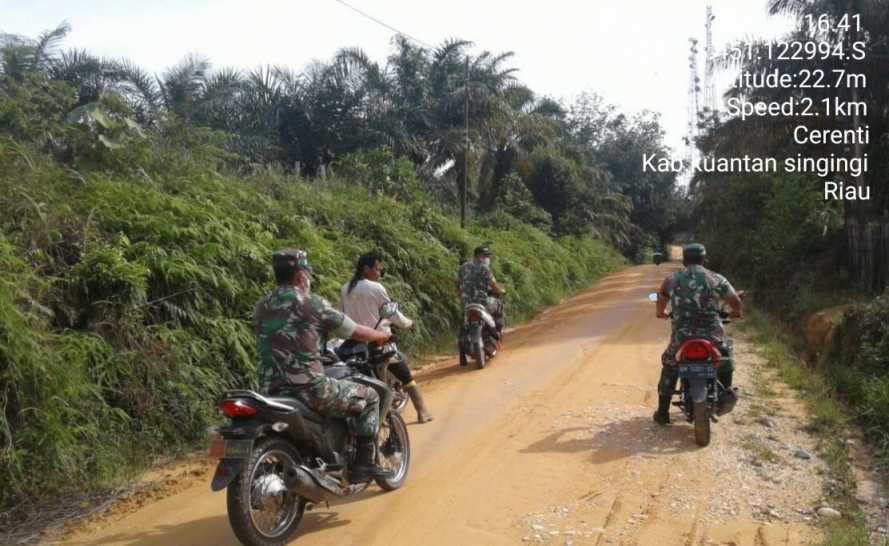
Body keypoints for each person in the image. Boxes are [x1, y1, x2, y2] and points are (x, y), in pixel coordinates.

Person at [253, 249, 393, 482]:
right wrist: (379, 336)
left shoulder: (261, 305)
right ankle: (364, 465)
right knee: (369, 397)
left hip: (271, 390)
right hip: (310, 389)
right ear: (300, 276)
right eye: (307, 273)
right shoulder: (312, 303)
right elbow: (354, 331)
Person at [653, 243, 742, 425]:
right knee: (724, 357)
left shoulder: (672, 280)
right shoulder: (717, 279)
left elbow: (660, 301)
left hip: (682, 337)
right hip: (713, 336)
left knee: (670, 364)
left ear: (684, 260)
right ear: (704, 259)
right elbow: (735, 301)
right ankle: (726, 393)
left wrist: (661, 313)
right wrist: (735, 313)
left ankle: (663, 412)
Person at [340, 252, 434, 424]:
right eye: (377, 269)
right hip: (379, 341)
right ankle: (422, 412)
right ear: (366, 269)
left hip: (353, 343)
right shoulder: (376, 288)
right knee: (406, 376)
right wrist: (409, 323)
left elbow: (344, 316)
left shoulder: (345, 288)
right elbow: (393, 314)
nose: (379, 273)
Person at [457, 245, 506, 340]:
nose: (487, 258)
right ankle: (497, 331)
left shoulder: (463, 267)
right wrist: (500, 291)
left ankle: (463, 343)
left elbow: (458, 285)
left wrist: (461, 296)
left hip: (466, 303)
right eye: (486, 256)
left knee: (463, 320)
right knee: (499, 305)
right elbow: (494, 286)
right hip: (483, 302)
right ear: (479, 256)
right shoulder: (484, 268)